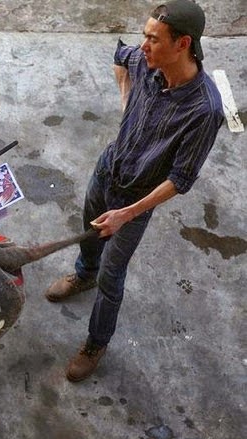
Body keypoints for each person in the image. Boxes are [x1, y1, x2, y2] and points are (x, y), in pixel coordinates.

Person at [44, 0, 224, 382]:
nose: (144, 45)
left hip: (136, 197)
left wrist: (128, 213)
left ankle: (96, 341)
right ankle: (82, 273)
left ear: (183, 44)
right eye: (145, 36)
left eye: (153, 39)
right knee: (90, 231)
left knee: (113, 275)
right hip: (108, 168)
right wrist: (127, 99)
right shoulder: (145, 61)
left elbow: (181, 179)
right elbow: (120, 57)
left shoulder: (204, 110)